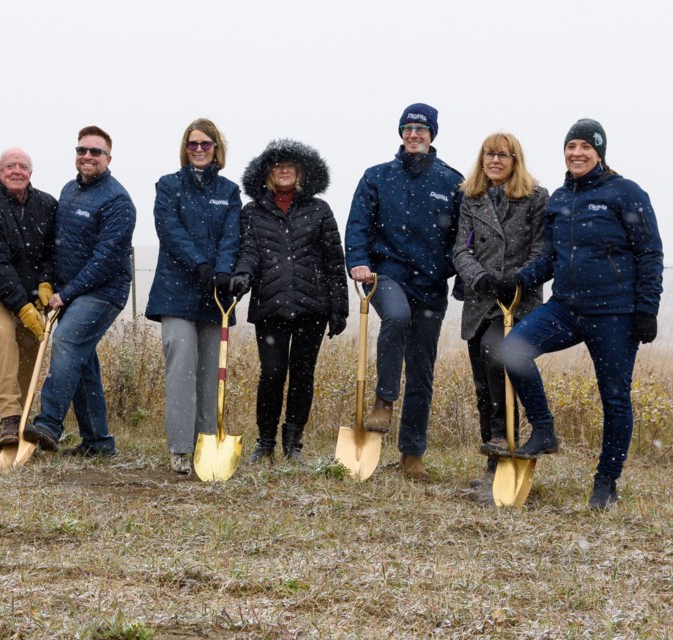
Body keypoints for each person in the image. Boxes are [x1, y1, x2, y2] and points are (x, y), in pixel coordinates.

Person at [500, 118, 663, 510]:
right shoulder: (559, 198)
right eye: (571, 146)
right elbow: (552, 258)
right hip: (566, 308)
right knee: (513, 349)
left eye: (585, 147)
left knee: (615, 398)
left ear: (599, 151)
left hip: (614, 314)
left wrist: (647, 309)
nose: (577, 153)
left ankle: (606, 483)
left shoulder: (625, 193)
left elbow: (650, 253)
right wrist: (517, 279)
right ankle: (544, 429)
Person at [345, 103, 463, 481]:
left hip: (430, 282)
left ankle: (412, 455)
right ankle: (383, 400)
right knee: (396, 317)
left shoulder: (452, 182)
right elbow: (358, 224)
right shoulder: (377, 177)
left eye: (422, 129)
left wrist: (453, 269)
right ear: (401, 133)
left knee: (422, 370)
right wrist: (358, 261)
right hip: (386, 274)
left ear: (432, 135)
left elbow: (467, 235)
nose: (414, 134)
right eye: (408, 128)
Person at [231, 139, 348, 462]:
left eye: (290, 166)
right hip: (270, 307)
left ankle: (293, 443)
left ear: (300, 172)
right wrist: (241, 276)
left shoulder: (319, 210)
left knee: (302, 374)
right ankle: (265, 441)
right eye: (277, 166)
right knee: (271, 373)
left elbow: (334, 261)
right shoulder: (253, 212)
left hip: (313, 308)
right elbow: (249, 253)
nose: (283, 171)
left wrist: (339, 307)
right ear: (268, 173)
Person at [22, 126, 136, 458]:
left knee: (67, 341)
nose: (87, 156)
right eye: (82, 150)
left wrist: (67, 293)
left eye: (95, 152)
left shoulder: (118, 201)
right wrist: (49, 285)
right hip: (71, 291)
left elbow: (104, 260)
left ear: (108, 158)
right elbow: (61, 246)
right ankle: (98, 443)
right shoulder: (70, 190)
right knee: (81, 361)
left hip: (103, 292)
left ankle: (48, 424)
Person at [452, 132, 548, 490]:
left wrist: (517, 280)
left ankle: (503, 435)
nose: (494, 161)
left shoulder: (536, 198)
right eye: (488, 155)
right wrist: (481, 278)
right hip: (481, 300)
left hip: (518, 302)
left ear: (514, 159)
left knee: (498, 356)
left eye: (502, 155)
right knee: (483, 384)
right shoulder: (470, 198)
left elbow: (542, 250)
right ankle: (495, 465)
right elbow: (461, 249)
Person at [145, 119, 241, 474]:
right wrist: (200, 264)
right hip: (175, 292)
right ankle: (181, 448)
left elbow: (232, 235)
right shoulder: (169, 186)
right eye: (193, 144)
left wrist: (223, 272)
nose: (199, 150)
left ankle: (206, 444)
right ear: (185, 149)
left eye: (206, 144)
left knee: (210, 371)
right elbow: (169, 230)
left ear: (217, 148)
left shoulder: (229, 191)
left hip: (215, 295)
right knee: (182, 366)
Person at [0, 148, 56, 450]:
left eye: (23, 166)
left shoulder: (47, 205)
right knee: (5, 335)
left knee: (31, 344)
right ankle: (9, 416)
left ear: (31, 172)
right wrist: (21, 305)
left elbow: (53, 251)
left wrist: (46, 280)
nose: (17, 171)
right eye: (10, 166)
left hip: (32, 294)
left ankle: (11, 426)